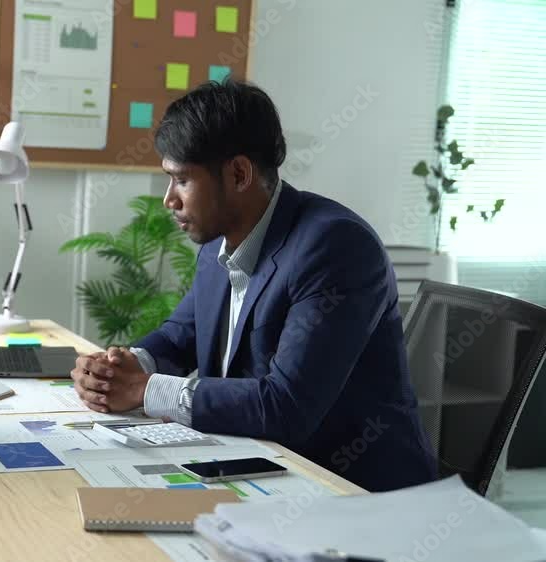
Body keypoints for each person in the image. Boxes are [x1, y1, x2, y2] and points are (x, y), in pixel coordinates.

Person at [70, 81, 436, 492]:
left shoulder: (335, 247)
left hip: (351, 488)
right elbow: (179, 337)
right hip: (260, 467)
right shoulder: (218, 244)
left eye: (182, 180)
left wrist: (145, 390)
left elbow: (286, 407)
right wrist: (118, 369)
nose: (169, 200)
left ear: (239, 174)